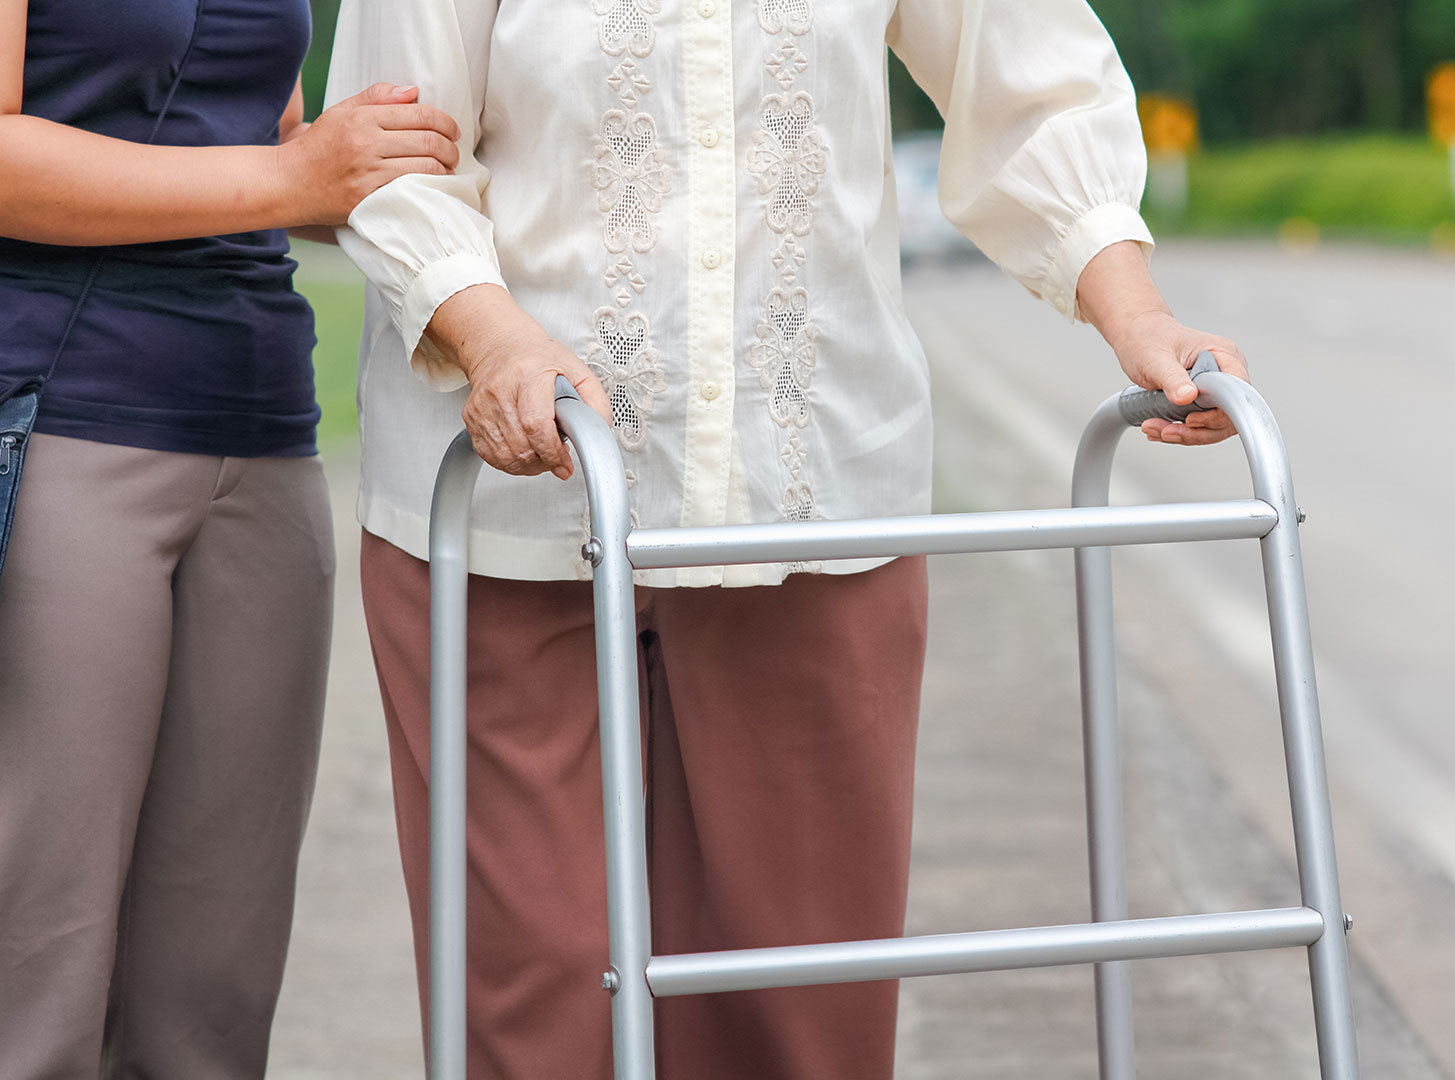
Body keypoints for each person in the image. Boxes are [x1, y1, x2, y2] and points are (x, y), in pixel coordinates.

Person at [327, 0, 1246, 1076]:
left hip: (816, 498)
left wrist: (1134, 313)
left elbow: (1033, 78)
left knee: (804, 1010)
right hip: (508, 513)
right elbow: (392, 145)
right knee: (536, 1010)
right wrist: (493, 340)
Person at [0, 1, 462, 1075]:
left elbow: (258, 137)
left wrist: (375, 153)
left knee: (213, 987)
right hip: (64, 415)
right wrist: (300, 178)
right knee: (37, 970)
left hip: (260, 433)